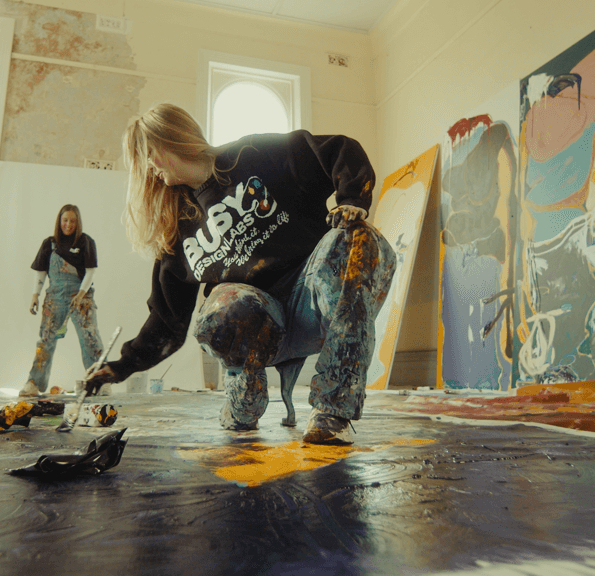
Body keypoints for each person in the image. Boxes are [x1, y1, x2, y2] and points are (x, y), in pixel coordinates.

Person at [83, 104, 396, 444]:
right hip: (260, 328)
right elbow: (167, 322)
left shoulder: (255, 156)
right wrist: (121, 366)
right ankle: (245, 401)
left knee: (357, 238)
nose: (147, 169)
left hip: (316, 302)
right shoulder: (176, 231)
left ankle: (333, 411)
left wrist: (352, 199)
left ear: (164, 141)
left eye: (146, 156)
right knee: (224, 305)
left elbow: (338, 149)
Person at [20, 204, 102, 397]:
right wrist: (35, 295)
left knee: (89, 338)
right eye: (65, 220)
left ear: (78, 222)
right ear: (59, 221)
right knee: (46, 340)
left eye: (73, 221)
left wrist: (81, 294)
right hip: (54, 298)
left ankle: (99, 383)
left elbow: (90, 271)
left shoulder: (85, 242)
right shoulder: (49, 244)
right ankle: (33, 383)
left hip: (81, 298)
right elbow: (41, 272)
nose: (68, 224)